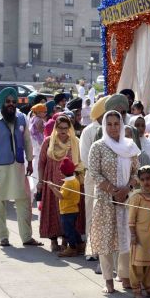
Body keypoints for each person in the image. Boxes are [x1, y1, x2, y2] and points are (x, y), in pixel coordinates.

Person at [87, 110, 140, 294]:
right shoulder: (98, 147)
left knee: (125, 237)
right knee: (106, 239)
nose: (113, 128)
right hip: (105, 200)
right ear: (104, 126)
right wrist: (113, 191)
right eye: (109, 124)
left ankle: (124, 276)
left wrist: (127, 189)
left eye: (116, 124)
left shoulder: (130, 146)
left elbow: (136, 172)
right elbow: (94, 173)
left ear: (121, 125)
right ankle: (108, 279)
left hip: (126, 199)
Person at [0, 88, 42, 247]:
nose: (11, 104)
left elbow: (27, 141)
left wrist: (30, 160)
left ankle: (26, 237)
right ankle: (3, 237)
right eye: (8, 102)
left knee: (23, 201)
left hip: (18, 167)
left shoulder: (21, 118)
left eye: (13, 102)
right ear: (2, 103)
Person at [38, 114, 83, 251]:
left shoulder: (75, 142)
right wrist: (40, 181)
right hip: (52, 182)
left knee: (68, 212)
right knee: (52, 210)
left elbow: (80, 162)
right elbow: (41, 163)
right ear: (55, 128)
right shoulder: (48, 142)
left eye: (65, 128)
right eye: (60, 128)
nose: (63, 131)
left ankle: (66, 240)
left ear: (69, 128)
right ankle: (53, 241)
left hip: (69, 184)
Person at [79, 95, 108, 259]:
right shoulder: (88, 131)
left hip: (111, 179)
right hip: (93, 177)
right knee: (92, 212)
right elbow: (85, 157)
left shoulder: (113, 128)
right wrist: (100, 174)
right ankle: (92, 250)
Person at [128, 165, 150, 298]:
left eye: (148, 178)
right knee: (137, 264)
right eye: (142, 179)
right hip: (140, 237)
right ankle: (136, 289)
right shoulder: (137, 197)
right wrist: (133, 235)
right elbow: (131, 218)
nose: (146, 182)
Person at [57, 157, 84, 257]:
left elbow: (61, 196)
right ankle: (80, 244)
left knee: (68, 231)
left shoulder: (68, 183)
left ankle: (72, 248)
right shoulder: (75, 180)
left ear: (62, 172)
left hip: (67, 211)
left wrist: (52, 188)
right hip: (73, 210)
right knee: (73, 229)